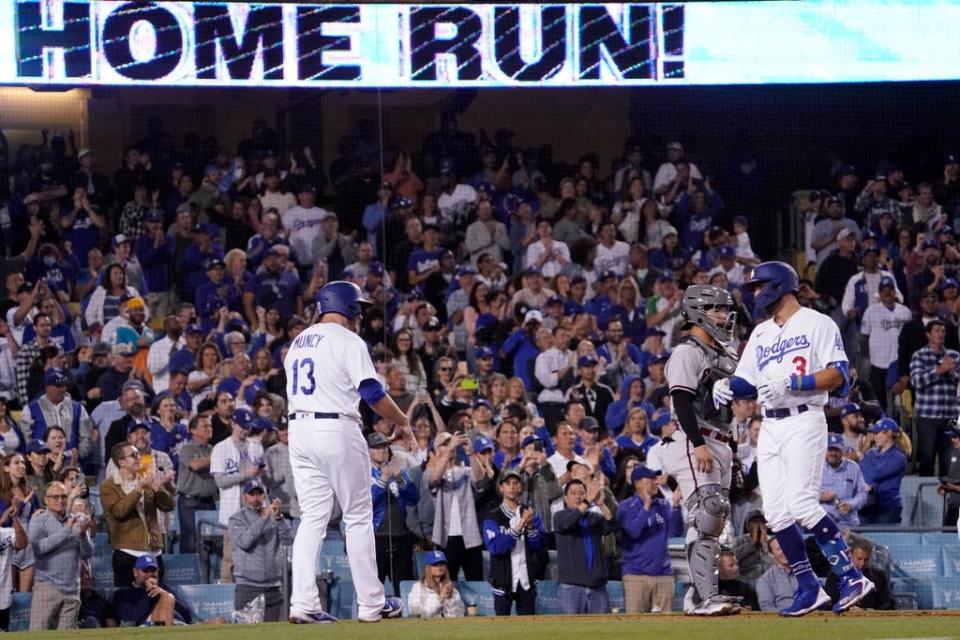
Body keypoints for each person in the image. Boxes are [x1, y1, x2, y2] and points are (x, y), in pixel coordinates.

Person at [718, 261, 874, 616]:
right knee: (775, 513)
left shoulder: (817, 322)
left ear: (778, 286)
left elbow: (839, 376)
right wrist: (725, 385)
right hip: (770, 425)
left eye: (759, 286)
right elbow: (747, 381)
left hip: (804, 418)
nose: (755, 293)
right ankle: (809, 586)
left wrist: (793, 383)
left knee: (803, 505)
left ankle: (851, 577)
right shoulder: (759, 333)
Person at [284, 281, 413, 623]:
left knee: (312, 517)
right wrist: (403, 421)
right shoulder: (348, 340)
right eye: (359, 306)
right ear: (348, 307)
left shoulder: (298, 341)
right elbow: (371, 392)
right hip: (335, 426)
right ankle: (372, 604)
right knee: (357, 516)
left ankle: (303, 604)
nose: (362, 313)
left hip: (298, 430)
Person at [662, 284, 741, 616]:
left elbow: (725, 409)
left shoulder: (721, 353)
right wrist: (697, 444)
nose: (724, 316)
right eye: (717, 310)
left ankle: (701, 594)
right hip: (693, 438)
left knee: (714, 518)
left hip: (718, 439)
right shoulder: (686, 352)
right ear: (698, 312)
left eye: (724, 310)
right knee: (707, 510)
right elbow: (680, 399)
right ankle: (703, 597)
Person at [100, 441, 175, 587]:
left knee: (156, 600)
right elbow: (119, 512)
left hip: (154, 551)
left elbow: (169, 505)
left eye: (138, 454)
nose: (139, 457)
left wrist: (155, 486)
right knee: (127, 602)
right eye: (134, 455)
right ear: (121, 462)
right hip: (128, 552)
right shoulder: (108, 486)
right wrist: (139, 489)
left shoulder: (146, 480)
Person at [28, 481, 95, 630]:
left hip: (72, 589)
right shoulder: (38, 521)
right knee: (38, 635)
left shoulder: (77, 520)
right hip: (47, 586)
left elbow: (88, 553)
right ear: (46, 499)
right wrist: (67, 530)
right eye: (55, 497)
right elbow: (39, 549)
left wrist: (83, 535)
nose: (60, 500)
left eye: (64, 496)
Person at [618, 464, 683, 613]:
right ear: (638, 483)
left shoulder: (663, 505)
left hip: (663, 574)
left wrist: (676, 506)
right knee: (635, 627)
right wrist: (646, 508)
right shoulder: (626, 506)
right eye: (651, 479)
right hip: (636, 575)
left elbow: (676, 531)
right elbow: (633, 532)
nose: (656, 482)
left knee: (665, 626)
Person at [482, 468, 547, 616]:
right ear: (501, 488)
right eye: (508, 483)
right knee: (501, 629)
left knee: (528, 629)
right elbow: (496, 548)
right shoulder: (492, 517)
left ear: (521, 487)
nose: (512, 486)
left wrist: (530, 526)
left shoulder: (530, 514)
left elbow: (539, 546)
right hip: (502, 582)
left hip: (526, 581)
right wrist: (518, 527)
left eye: (516, 483)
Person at [210, 408, 265, 584]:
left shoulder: (256, 446)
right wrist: (245, 474)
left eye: (247, 427)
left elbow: (262, 477)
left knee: (255, 559)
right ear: (232, 423)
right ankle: (227, 599)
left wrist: (259, 474)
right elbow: (220, 482)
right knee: (230, 560)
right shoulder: (221, 448)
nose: (244, 430)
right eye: (241, 426)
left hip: (254, 513)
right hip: (232, 512)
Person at [228, 479, 293, 622]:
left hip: (273, 588)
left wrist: (279, 518)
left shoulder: (273, 518)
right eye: (252, 494)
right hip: (248, 588)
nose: (256, 498)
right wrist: (264, 518)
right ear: (244, 496)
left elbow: (289, 540)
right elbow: (245, 542)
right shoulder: (236, 519)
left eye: (259, 494)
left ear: (264, 496)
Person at [553, 477, 618, 614]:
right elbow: (568, 523)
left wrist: (601, 504)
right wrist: (588, 500)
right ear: (565, 498)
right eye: (574, 493)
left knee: (600, 632)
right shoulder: (560, 516)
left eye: (581, 493)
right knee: (571, 632)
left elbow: (613, 525)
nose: (578, 496)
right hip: (572, 587)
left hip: (597, 586)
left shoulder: (594, 518)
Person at [368, 432, 419, 597]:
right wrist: (383, 480)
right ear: (367, 451)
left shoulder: (399, 471)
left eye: (383, 447)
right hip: (376, 538)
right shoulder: (363, 472)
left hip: (401, 537)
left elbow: (413, 498)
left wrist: (398, 478)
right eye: (376, 448)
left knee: (403, 588)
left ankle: (406, 620)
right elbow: (367, 504)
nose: (381, 451)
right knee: (373, 587)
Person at [909, 318, 959, 477]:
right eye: (937, 330)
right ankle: (926, 498)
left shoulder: (954, 356)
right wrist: (938, 371)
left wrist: (952, 373)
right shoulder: (919, 356)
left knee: (949, 462)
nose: (940, 334)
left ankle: (947, 499)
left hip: (951, 417)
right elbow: (916, 381)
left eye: (943, 331)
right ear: (928, 334)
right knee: (927, 460)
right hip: (928, 417)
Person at [110, 554, 193, 626]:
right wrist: (150, 592)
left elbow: (188, 616)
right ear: (135, 572)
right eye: (145, 570)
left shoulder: (165, 589)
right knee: (168, 598)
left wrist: (163, 594)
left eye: (153, 570)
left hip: (176, 624)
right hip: (147, 627)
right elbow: (130, 618)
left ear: (158, 571)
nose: (150, 574)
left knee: (169, 597)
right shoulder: (123, 594)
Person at [176, 414, 218, 554]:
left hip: (209, 502)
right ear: (193, 430)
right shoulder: (187, 448)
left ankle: (207, 575)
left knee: (210, 542)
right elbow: (195, 465)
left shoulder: (212, 449)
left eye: (210, 425)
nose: (209, 428)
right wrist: (219, 458)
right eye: (205, 426)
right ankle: (188, 575)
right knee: (190, 542)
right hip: (190, 503)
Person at [858, 418, 909, 524]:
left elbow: (874, 474)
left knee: (884, 540)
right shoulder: (870, 453)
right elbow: (860, 472)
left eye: (877, 433)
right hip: (867, 506)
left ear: (888, 434)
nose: (874, 437)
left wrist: (861, 457)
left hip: (887, 508)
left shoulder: (899, 457)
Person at [824, 537, 893, 610]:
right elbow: (830, 603)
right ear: (850, 555)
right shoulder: (835, 575)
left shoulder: (878, 575)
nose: (862, 563)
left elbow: (887, 602)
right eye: (859, 559)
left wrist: (870, 611)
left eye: (866, 560)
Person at [820, 433, 870, 529]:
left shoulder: (853, 467)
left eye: (837, 450)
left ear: (843, 450)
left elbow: (863, 493)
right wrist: (820, 497)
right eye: (830, 449)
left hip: (848, 524)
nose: (833, 453)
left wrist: (851, 505)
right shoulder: (816, 469)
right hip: (823, 524)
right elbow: (805, 495)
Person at [406, 550, 465, 619]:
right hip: (426, 626)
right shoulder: (418, 587)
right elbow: (417, 613)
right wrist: (440, 599)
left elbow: (459, 615)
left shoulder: (451, 588)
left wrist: (450, 599)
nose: (439, 567)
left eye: (442, 564)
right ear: (428, 567)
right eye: (435, 564)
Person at [756, 538, 799, 612]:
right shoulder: (765, 580)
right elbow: (766, 608)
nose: (784, 551)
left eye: (786, 547)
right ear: (772, 554)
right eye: (778, 549)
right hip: (783, 619)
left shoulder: (805, 571)